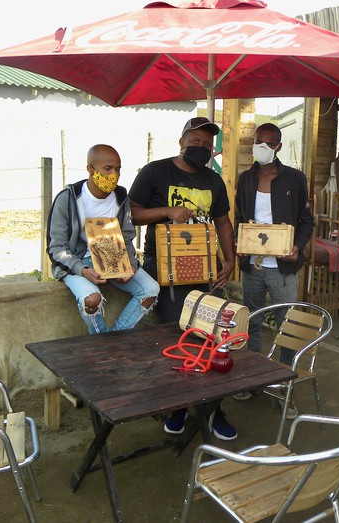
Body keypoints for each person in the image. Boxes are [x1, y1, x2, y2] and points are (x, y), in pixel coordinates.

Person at [129, 116, 237, 440]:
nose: (201, 147)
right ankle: (177, 407)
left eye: (207, 144)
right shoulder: (155, 171)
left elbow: (223, 223)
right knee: (174, 339)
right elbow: (132, 212)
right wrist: (166, 210)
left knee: (212, 337)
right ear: (181, 141)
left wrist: (230, 259)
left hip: (204, 268)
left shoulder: (214, 181)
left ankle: (214, 410)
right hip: (163, 267)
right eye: (196, 141)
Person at [233, 122, 315, 418]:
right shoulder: (245, 179)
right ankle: (253, 379)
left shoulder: (294, 179)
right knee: (251, 322)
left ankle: (284, 389)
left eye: (268, 144)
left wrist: (297, 246)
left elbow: (307, 221)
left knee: (286, 327)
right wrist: (238, 243)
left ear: (278, 147)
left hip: (283, 268)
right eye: (258, 142)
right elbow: (240, 218)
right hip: (252, 267)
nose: (261, 148)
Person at [47, 144, 160, 334]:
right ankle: (100, 339)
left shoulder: (121, 197)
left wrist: (129, 265)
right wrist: (82, 270)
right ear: (90, 169)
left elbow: (126, 237)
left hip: (112, 257)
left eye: (118, 169)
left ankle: (114, 339)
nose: (114, 174)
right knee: (92, 299)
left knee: (150, 290)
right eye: (107, 169)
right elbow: (56, 248)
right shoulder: (68, 199)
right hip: (78, 262)